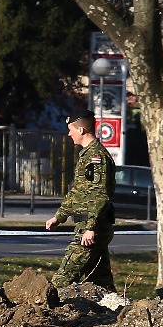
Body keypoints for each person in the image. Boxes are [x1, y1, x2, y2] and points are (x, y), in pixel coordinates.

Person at [45, 109, 116, 291]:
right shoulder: (86, 156)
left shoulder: (96, 157)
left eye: (71, 129)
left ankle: (43, 311)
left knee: (62, 279)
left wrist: (90, 228)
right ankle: (117, 313)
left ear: (82, 130)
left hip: (91, 229)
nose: (69, 134)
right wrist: (59, 217)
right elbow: (78, 191)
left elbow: (100, 195)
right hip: (91, 227)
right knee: (101, 283)